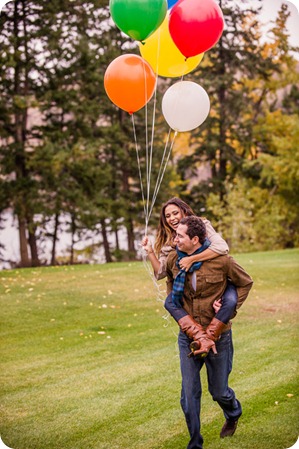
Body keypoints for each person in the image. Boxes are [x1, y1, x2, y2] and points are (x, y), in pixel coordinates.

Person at [166, 216, 253, 449]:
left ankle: (233, 412)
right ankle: (195, 444)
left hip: (220, 337)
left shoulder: (222, 261)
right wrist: (186, 323)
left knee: (219, 391)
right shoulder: (173, 259)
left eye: (180, 236)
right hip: (189, 339)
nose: (175, 238)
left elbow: (245, 282)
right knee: (189, 394)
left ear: (195, 239)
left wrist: (229, 308)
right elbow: (170, 291)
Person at [142, 197, 238, 338]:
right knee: (170, 302)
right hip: (190, 286)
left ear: (184, 211)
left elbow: (222, 247)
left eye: (175, 213)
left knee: (229, 301)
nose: (172, 218)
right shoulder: (169, 241)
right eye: (167, 216)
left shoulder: (202, 225)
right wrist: (150, 251)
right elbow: (160, 273)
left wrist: (191, 259)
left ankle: (211, 335)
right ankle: (201, 338)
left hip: (214, 279)